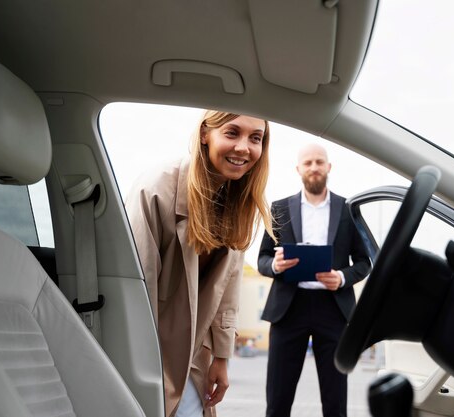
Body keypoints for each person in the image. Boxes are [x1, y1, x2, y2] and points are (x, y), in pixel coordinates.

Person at [126, 110, 273, 417]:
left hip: (194, 355)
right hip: (150, 352)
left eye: (255, 138)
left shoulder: (238, 201)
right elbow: (135, 290)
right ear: (206, 133)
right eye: (232, 133)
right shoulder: (157, 189)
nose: (244, 148)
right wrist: (144, 369)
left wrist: (221, 357)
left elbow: (228, 288)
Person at [257, 143, 371, 417]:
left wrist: (342, 277)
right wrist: (275, 264)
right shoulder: (280, 209)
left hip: (333, 310)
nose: (314, 167)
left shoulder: (348, 209)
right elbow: (261, 259)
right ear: (299, 169)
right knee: (278, 400)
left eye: (319, 162)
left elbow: (366, 261)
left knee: (335, 403)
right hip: (288, 310)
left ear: (328, 167)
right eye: (307, 163)